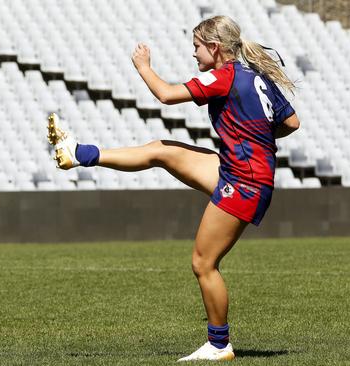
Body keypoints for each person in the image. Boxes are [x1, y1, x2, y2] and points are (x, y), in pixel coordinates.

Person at [46, 15, 300, 362]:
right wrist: (255, 138)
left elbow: (165, 95)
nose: (194, 54)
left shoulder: (223, 75)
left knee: (203, 262)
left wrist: (142, 65)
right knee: (160, 151)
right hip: (239, 170)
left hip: (245, 180)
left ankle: (219, 345)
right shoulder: (254, 75)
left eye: (197, 47)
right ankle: (79, 153)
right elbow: (291, 122)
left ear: (214, 48)